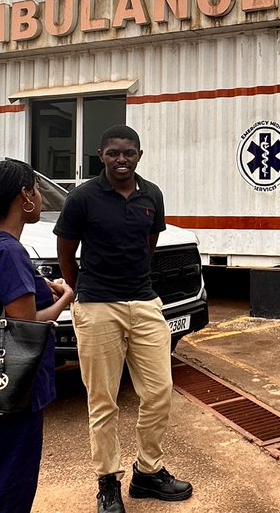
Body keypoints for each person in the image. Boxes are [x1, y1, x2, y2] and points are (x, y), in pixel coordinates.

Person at [54, 125, 191, 513]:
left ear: (139, 155)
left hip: (144, 302)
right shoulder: (82, 198)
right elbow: (67, 250)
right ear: (101, 156)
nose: (121, 160)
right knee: (103, 400)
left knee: (159, 391)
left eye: (128, 153)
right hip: (98, 306)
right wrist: (81, 290)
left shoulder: (151, 196)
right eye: (113, 153)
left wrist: (136, 287)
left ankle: (147, 472)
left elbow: (149, 244)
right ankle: (107, 483)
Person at [0, 159, 75, 513]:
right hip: (11, 389)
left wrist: (39, 284)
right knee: (7, 487)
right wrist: (64, 300)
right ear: (24, 196)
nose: (40, 196)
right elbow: (26, 324)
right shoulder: (10, 252)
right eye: (37, 189)